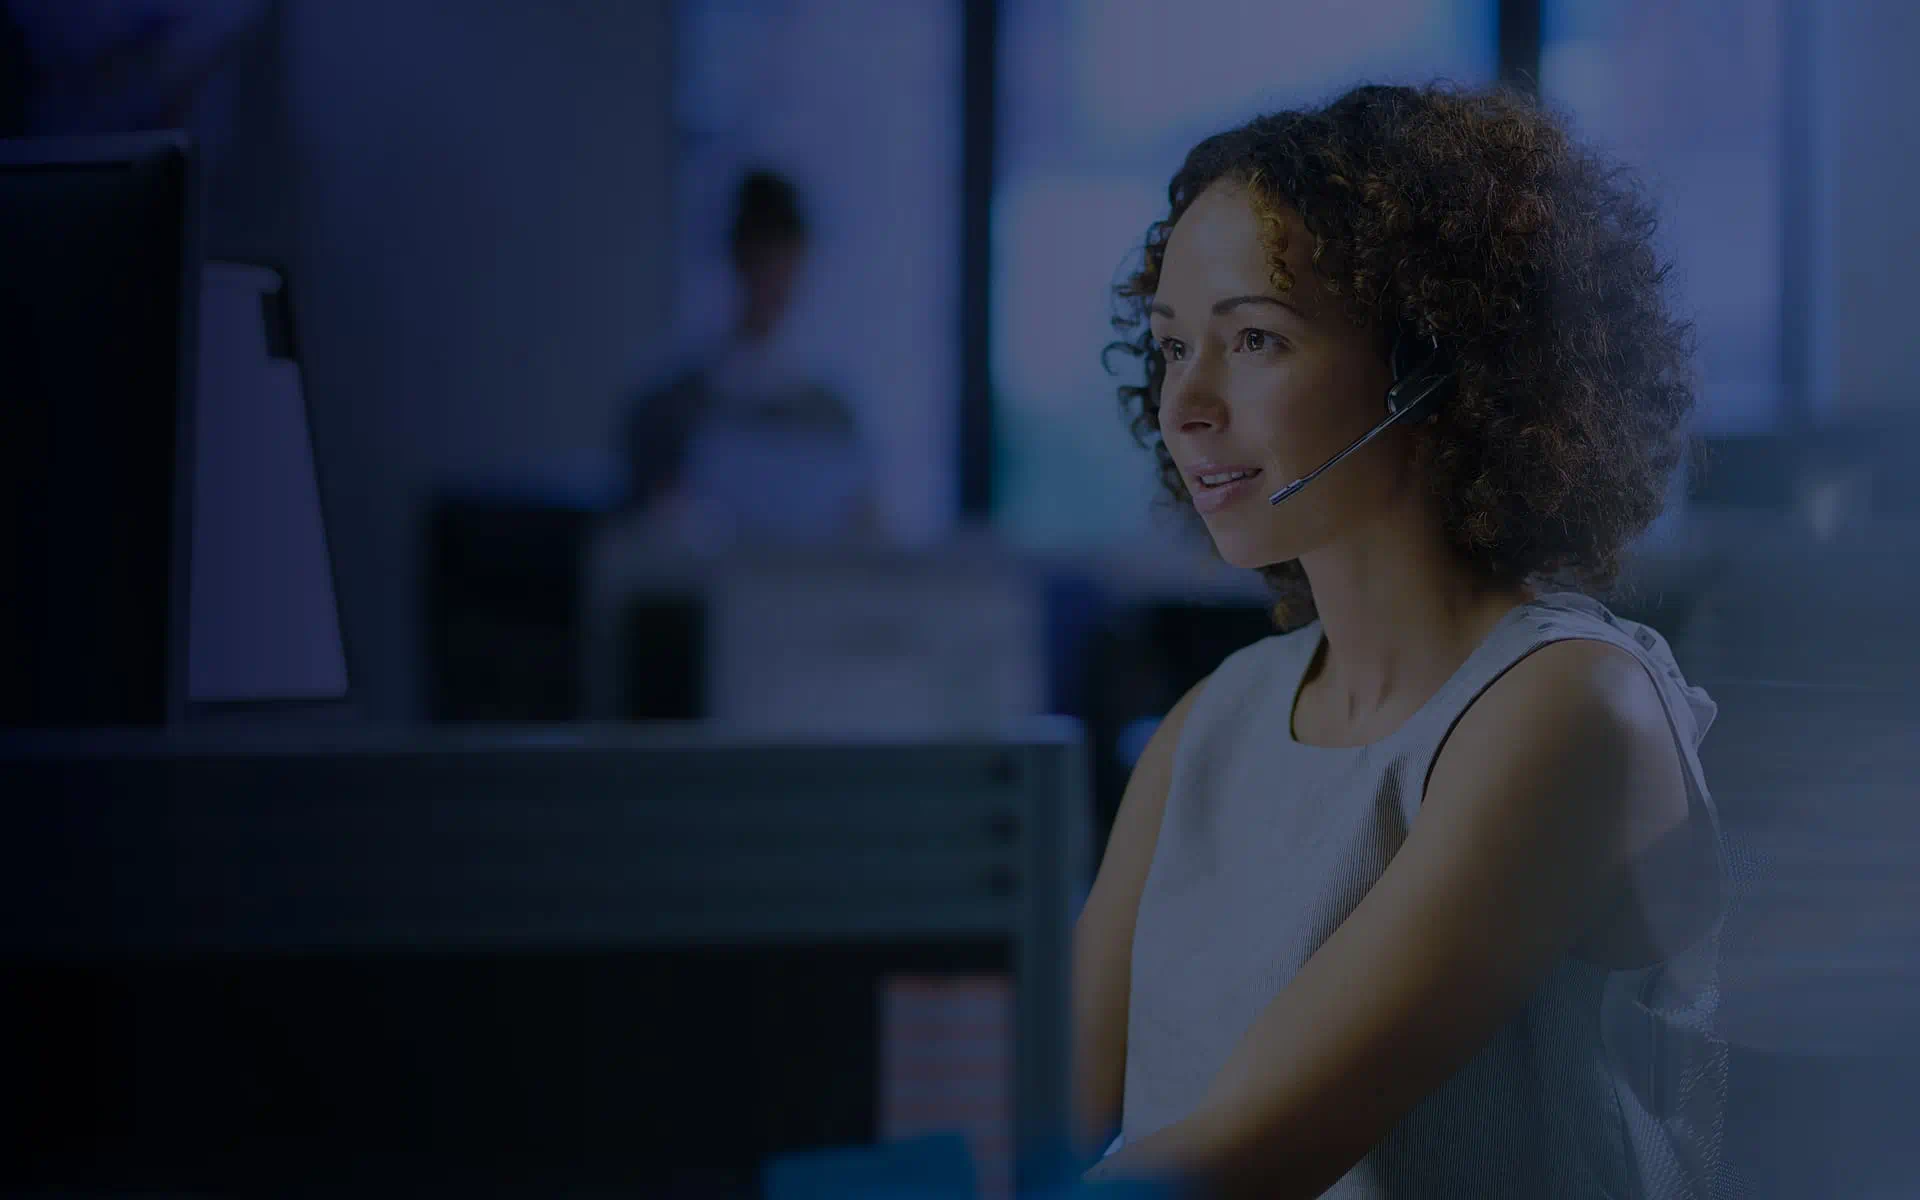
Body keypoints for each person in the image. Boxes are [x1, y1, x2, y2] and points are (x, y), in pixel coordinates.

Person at [1072, 83, 1728, 1198]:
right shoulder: (1218, 719)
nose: (1187, 401)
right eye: (1173, 346)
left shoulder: (1573, 711)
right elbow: (1043, 1117)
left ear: (1439, 364)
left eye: (1256, 339)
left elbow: (1240, 1163)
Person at [620, 167, 877, 547]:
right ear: (737, 257)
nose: (775, 279)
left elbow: (858, 526)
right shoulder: (669, 410)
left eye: (786, 260)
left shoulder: (832, 416)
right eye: (762, 257)